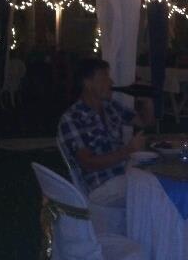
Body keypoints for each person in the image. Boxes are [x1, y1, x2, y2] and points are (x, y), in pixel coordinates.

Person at [58, 58, 154, 230]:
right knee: (154, 190)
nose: (111, 82)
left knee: (160, 181)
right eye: (104, 77)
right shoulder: (72, 118)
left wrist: (147, 101)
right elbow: (87, 163)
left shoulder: (111, 107)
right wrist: (128, 150)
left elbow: (144, 122)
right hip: (101, 185)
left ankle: (148, 234)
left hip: (125, 174)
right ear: (88, 83)